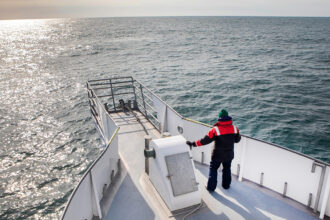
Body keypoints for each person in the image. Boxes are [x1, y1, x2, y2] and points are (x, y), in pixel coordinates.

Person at [186, 109, 241, 191]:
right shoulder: (235, 128)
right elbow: (237, 140)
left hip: (217, 155)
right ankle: (226, 186)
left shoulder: (215, 130)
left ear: (220, 118)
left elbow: (204, 141)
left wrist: (193, 144)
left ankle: (211, 188)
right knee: (227, 168)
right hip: (229, 154)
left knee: (213, 169)